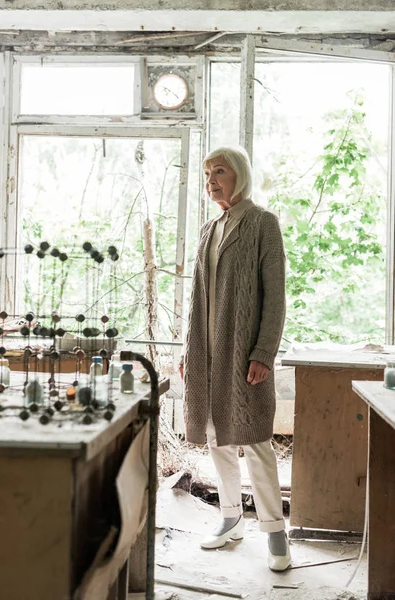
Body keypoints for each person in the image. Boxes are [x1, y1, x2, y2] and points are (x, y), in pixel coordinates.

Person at [179, 146, 291, 571]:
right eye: (207, 173)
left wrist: (264, 351)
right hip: (207, 356)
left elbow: (275, 298)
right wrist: (190, 351)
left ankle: (275, 531)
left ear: (239, 175)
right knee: (215, 436)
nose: (211, 179)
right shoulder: (210, 230)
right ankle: (230, 517)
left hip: (245, 355)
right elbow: (196, 301)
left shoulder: (263, 223)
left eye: (219, 171)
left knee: (256, 441)